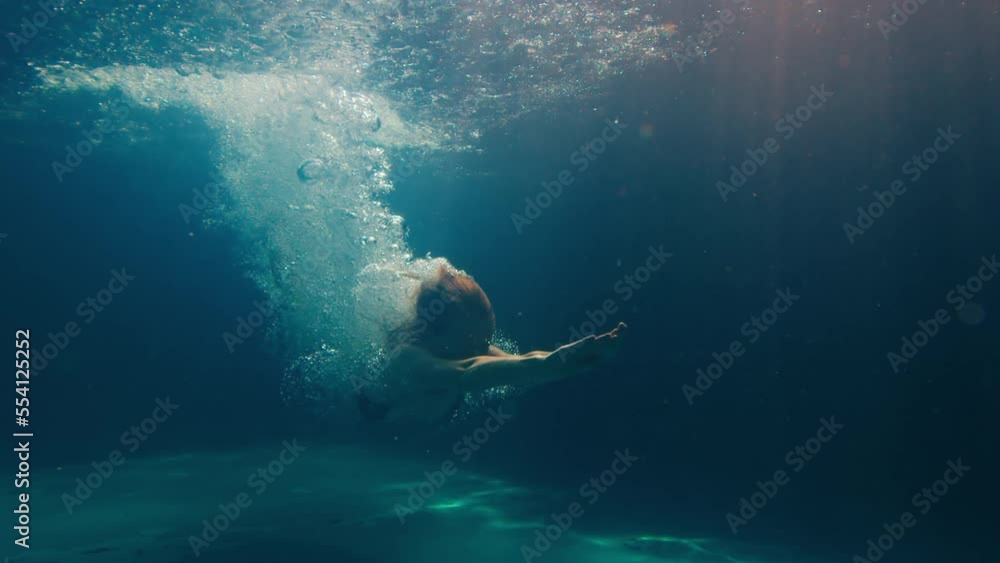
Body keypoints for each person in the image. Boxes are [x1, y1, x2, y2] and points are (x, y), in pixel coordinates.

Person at [358, 265, 627, 423]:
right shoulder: (407, 358)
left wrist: (571, 363)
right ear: (434, 334)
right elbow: (467, 373)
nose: (482, 350)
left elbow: (519, 363)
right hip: (369, 426)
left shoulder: (470, 345)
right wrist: (548, 363)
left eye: (485, 340)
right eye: (472, 343)